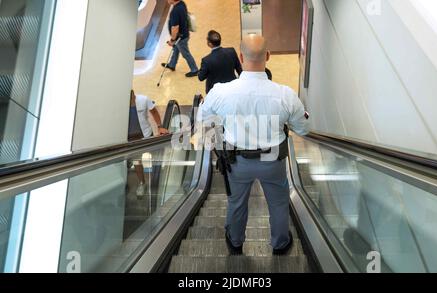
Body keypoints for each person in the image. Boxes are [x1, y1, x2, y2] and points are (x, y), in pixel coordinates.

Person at [197, 35, 310, 255]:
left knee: (236, 203)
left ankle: (235, 243)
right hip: (273, 160)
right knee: (278, 203)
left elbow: (203, 122)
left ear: (241, 56)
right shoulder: (285, 94)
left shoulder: (220, 92)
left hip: (235, 162)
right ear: (268, 56)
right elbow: (304, 128)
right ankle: (280, 244)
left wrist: (217, 145)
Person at [129, 90, 169, 196]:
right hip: (132, 140)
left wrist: (160, 126)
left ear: (133, 93)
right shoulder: (120, 105)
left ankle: (159, 178)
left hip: (147, 135)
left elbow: (154, 112)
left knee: (155, 155)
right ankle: (142, 183)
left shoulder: (143, 99)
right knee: (137, 161)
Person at [161, 0, 199, 77]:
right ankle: (172, 65)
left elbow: (175, 28)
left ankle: (195, 70)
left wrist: (172, 40)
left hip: (180, 38)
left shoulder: (175, 11)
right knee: (175, 49)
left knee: (185, 54)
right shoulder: (182, 3)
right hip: (184, 33)